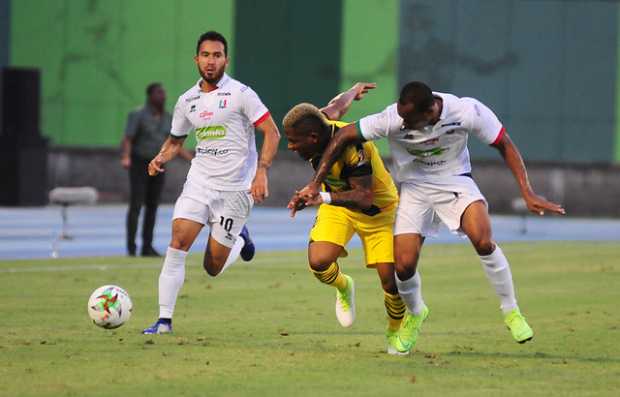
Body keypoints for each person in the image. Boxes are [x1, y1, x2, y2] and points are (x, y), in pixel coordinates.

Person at [292, 81, 565, 350]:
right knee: (403, 267)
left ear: (431, 112)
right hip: (415, 189)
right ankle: (416, 312)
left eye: (409, 120)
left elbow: (503, 143)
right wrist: (316, 184)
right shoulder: (392, 118)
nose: (402, 125)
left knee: (482, 240)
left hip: (455, 181)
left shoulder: (466, 111)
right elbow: (342, 132)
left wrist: (527, 192)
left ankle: (511, 311)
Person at [142, 31, 280, 334]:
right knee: (177, 243)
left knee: (212, 267)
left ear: (225, 60)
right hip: (199, 183)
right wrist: (160, 158)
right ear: (196, 59)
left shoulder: (242, 94)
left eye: (217, 55)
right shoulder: (186, 101)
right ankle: (164, 320)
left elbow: (272, 132)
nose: (210, 61)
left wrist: (262, 171)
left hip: (235, 189)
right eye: (205, 55)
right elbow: (175, 141)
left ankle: (240, 239)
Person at [283, 82, 414, 355]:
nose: (291, 146)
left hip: (379, 212)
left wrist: (321, 197)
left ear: (313, 138)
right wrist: (352, 92)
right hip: (338, 205)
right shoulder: (318, 122)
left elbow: (364, 197)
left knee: (390, 281)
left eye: (294, 141)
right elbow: (337, 106)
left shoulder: (355, 148)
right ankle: (344, 287)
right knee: (319, 261)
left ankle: (394, 330)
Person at [121, 83, 192, 257]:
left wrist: (193, 159)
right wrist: (126, 156)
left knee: (153, 206)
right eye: (159, 93)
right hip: (140, 163)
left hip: (159, 166)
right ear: (150, 95)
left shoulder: (168, 117)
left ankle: (147, 246)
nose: (163, 96)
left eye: (164, 93)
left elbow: (175, 143)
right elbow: (128, 138)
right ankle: (131, 247)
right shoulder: (138, 115)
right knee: (136, 205)